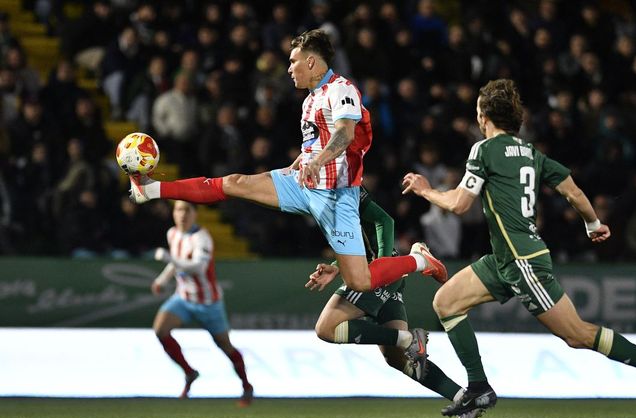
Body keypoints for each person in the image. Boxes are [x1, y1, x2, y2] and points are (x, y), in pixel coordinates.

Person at [128, 29, 442, 377]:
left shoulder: (342, 89)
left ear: (311, 61)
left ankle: (418, 260)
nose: (289, 69)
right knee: (235, 183)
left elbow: (345, 134)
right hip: (303, 183)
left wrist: (318, 161)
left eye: (293, 62)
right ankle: (153, 190)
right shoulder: (309, 101)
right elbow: (316, 143)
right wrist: (300, 162)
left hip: (336, 195)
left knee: (360, 281)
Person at [401, 79, 636, 418]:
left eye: (478, 110)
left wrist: (426, 191)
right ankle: (478, 387)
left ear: (485, 116)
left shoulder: (484, 150)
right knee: (446, 302)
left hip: (522, 262)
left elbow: (460, 204)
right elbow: (574, 192)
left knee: (578, 334)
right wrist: (593, 224)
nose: (476, 117)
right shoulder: (531, 153)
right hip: (505, 258)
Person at [305, 187, 483, 418]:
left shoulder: (342, 184)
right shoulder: (320, 190)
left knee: (326, 328)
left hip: (378, 273)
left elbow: (384, 221)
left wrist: (383, 266)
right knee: (398, 359)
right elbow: (354, 241)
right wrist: (337, 266)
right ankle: (464, 399)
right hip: (380, 272)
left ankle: (408, 337)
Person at [151, 200, 253, 406]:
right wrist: (162, 279)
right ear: (173, 213)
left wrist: (168, 258)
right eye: (179, 209)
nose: (182, 214)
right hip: (183, 298)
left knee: (224, 345)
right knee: (160, 330)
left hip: (208, 303)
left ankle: (246, 385)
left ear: (195, 214)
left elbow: (198, 267)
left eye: (187, 210)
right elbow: (176, 262)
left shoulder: (202, 238)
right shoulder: (172, 234)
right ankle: (189, 373)